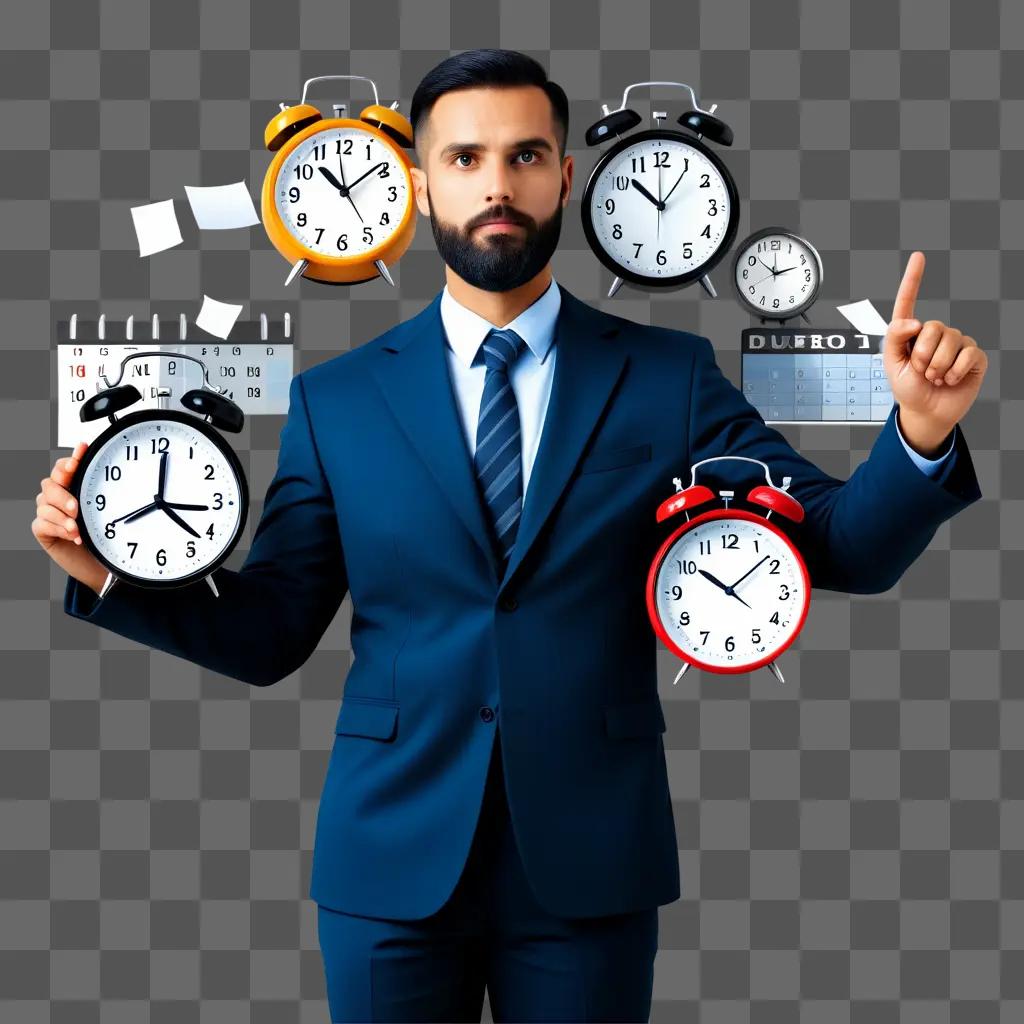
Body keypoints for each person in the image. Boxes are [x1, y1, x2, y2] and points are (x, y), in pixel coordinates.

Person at [34, 48, 986, 1023]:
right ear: (416, 184)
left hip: (590, 859)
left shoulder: (667, 377)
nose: (497, 183)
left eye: (526, 155)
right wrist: (108, 577)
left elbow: (839, 546)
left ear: (566, 176)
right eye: (464, 158)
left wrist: (918, 431)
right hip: (388, 863)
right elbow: (271, 631)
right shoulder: (338, 399)